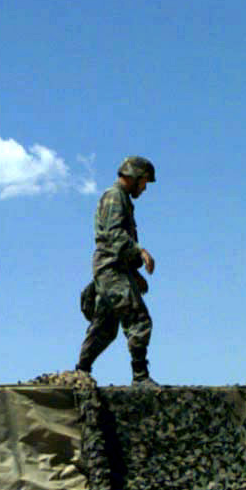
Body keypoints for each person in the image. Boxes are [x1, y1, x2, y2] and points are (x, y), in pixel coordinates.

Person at [76, 156, 158, 386]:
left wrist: (135, 274)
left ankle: (80, 372)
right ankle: (140, 377)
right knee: (138, 319)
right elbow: (114, 235)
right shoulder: (114, 197)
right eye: (144, 182)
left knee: (104, 328)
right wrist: (140, 251)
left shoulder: (121, 198)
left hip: (113, 270)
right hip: (111, 271)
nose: (144, 188)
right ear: (135, 177)